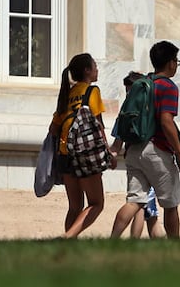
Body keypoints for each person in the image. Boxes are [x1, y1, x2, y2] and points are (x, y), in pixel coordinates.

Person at [111, 41, 180, 239]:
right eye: (176, 61)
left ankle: (112, 240)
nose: (176, 66)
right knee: (170, 204)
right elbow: (166, 121)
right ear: (170, 63)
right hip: (157, 151)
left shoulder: (142, 83)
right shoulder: (168, 86)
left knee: (134, 201)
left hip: (134, 149)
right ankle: (175, 247)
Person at [49, 53, 114, 239]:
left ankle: (69, 244)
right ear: (87, 70)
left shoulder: (67, 94)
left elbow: (53, 129)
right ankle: (67, 237)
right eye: (95, 66)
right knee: (96, 203)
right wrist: (108, 153)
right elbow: (98, 125)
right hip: (84, 155)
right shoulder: (92, 91)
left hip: (65, 155)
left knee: (75, 206)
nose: (97, 69)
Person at [110, 71, 161, 239]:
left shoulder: (125, 111)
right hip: (152, 158)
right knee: (142, 204)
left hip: (132, 157)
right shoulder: (151, 108)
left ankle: (121, 239)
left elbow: (117, 143)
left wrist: (111, 155)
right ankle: (134, 240)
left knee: (139, 201)